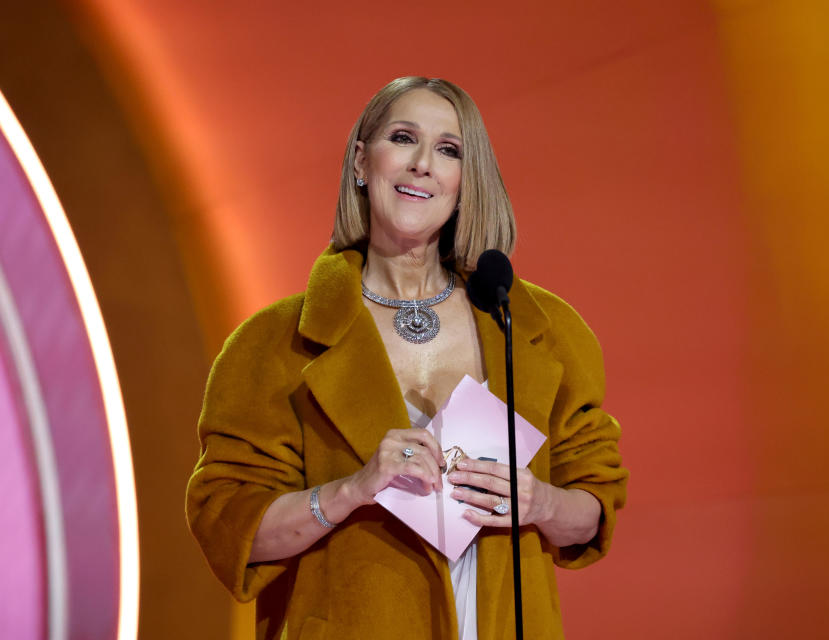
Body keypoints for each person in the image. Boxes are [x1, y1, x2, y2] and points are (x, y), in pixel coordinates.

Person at [186, 76, 628, 640]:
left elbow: (596, 503)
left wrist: (541, 502)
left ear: (465, 183)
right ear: (361, 163)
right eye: (403, 138)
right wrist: (352, 489)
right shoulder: (272, 344)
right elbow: (229, 526)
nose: (423, 164)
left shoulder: (539, 330)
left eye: (449, 150)